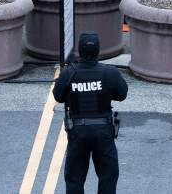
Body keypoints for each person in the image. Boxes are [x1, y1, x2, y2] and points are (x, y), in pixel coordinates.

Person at [53, 31, 129, 194]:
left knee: (75, 178)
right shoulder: (109, 73)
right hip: (103, 131)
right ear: (98, 50)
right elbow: (122, 94)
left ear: (79, 50)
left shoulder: (69, 73)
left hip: (78, 131)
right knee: (108, 176)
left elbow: (58, 96)